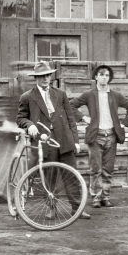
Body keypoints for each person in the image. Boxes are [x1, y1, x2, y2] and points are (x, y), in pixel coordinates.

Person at [16, 61, 90, 219]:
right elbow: (20, 119)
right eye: (42, 76)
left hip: (64, 140)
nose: (45, 79)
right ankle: (51, 208)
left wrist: (75, 141)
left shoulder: (60, 94)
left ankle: (77, 208)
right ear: (36, 78)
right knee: (49, 176)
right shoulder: (28, 97)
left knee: (71, 175)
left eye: (47, 75)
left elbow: (71, 119)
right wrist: (29, 125)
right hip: (45, 142)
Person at [70, 64, 128, 209]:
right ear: (96, 77)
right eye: (101, 74)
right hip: (96, 136)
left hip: (111, 135)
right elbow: (71, 105)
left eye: (107, 75)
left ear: (109, 78)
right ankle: (96, 197)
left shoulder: (115, 95)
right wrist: (83, 118)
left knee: (108, 169)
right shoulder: (89, 94)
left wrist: (124, 123)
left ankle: (106, 197)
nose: (104, 77)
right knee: (96, 169)